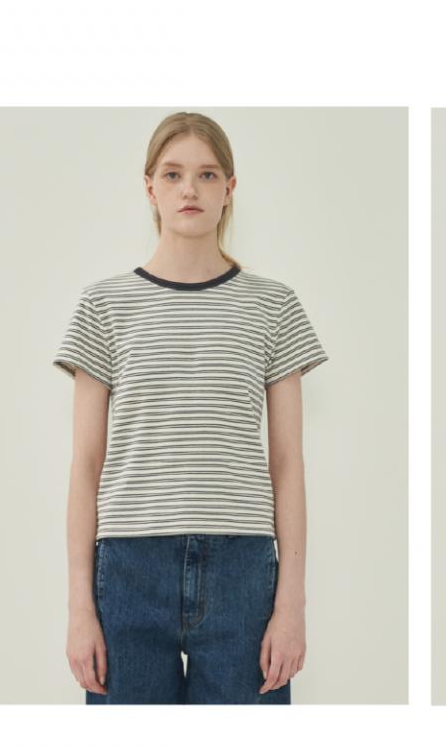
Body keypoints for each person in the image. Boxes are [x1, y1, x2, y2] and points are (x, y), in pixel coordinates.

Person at [55, 107, 325, 701]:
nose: (189, 190)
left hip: (242, 569)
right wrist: (79, 607)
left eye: (207, 175)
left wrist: (291, 605)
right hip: (128, 568)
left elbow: (287, 464)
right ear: (149, 187)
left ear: (230, 189)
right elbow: (86, 466)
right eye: (173, 174)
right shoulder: (104, 306)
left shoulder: (274, 305)